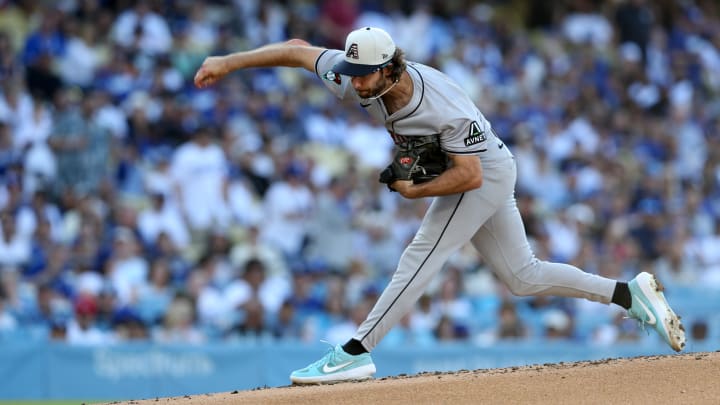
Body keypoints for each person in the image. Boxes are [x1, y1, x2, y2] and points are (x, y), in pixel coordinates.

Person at [194, 26, 686, 385]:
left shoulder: (439, 104)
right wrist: (227, 61)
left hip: (483, 171)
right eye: (353, 74)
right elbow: (298, 53)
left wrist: (415, 191)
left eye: (365, 76)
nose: (356, 84)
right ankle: (628, 293)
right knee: (523, 276)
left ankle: (355, 351)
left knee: (422, 253)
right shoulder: (357, 73)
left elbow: (469, 174)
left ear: (390, 67)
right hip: (479, 168)